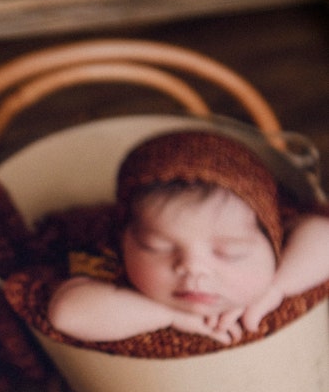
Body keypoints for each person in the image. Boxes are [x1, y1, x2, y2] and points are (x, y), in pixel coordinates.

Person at [47, 129, 329, 346]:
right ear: (125, 239)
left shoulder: (288, 258)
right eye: (156, 247)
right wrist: (166, 315)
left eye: (230, 252)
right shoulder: (113, 269)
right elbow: (66, 313)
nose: (192, 268)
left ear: (274, 240)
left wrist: (276, 289)